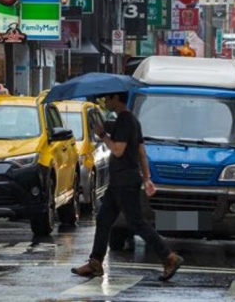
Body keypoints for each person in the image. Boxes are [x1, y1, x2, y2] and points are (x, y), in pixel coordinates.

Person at [71, 91, 184, 282]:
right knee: (104, 218)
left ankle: (169, 257)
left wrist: (102, 135)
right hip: (120, 181)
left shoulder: (124, 120)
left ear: (116, 98)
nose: (105, 101)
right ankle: (95, 262)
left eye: (108, 98)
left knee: (136, 222)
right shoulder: (132, 120)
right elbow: (141, 151)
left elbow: (118, 150)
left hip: (125, 181)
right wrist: (147, 178)